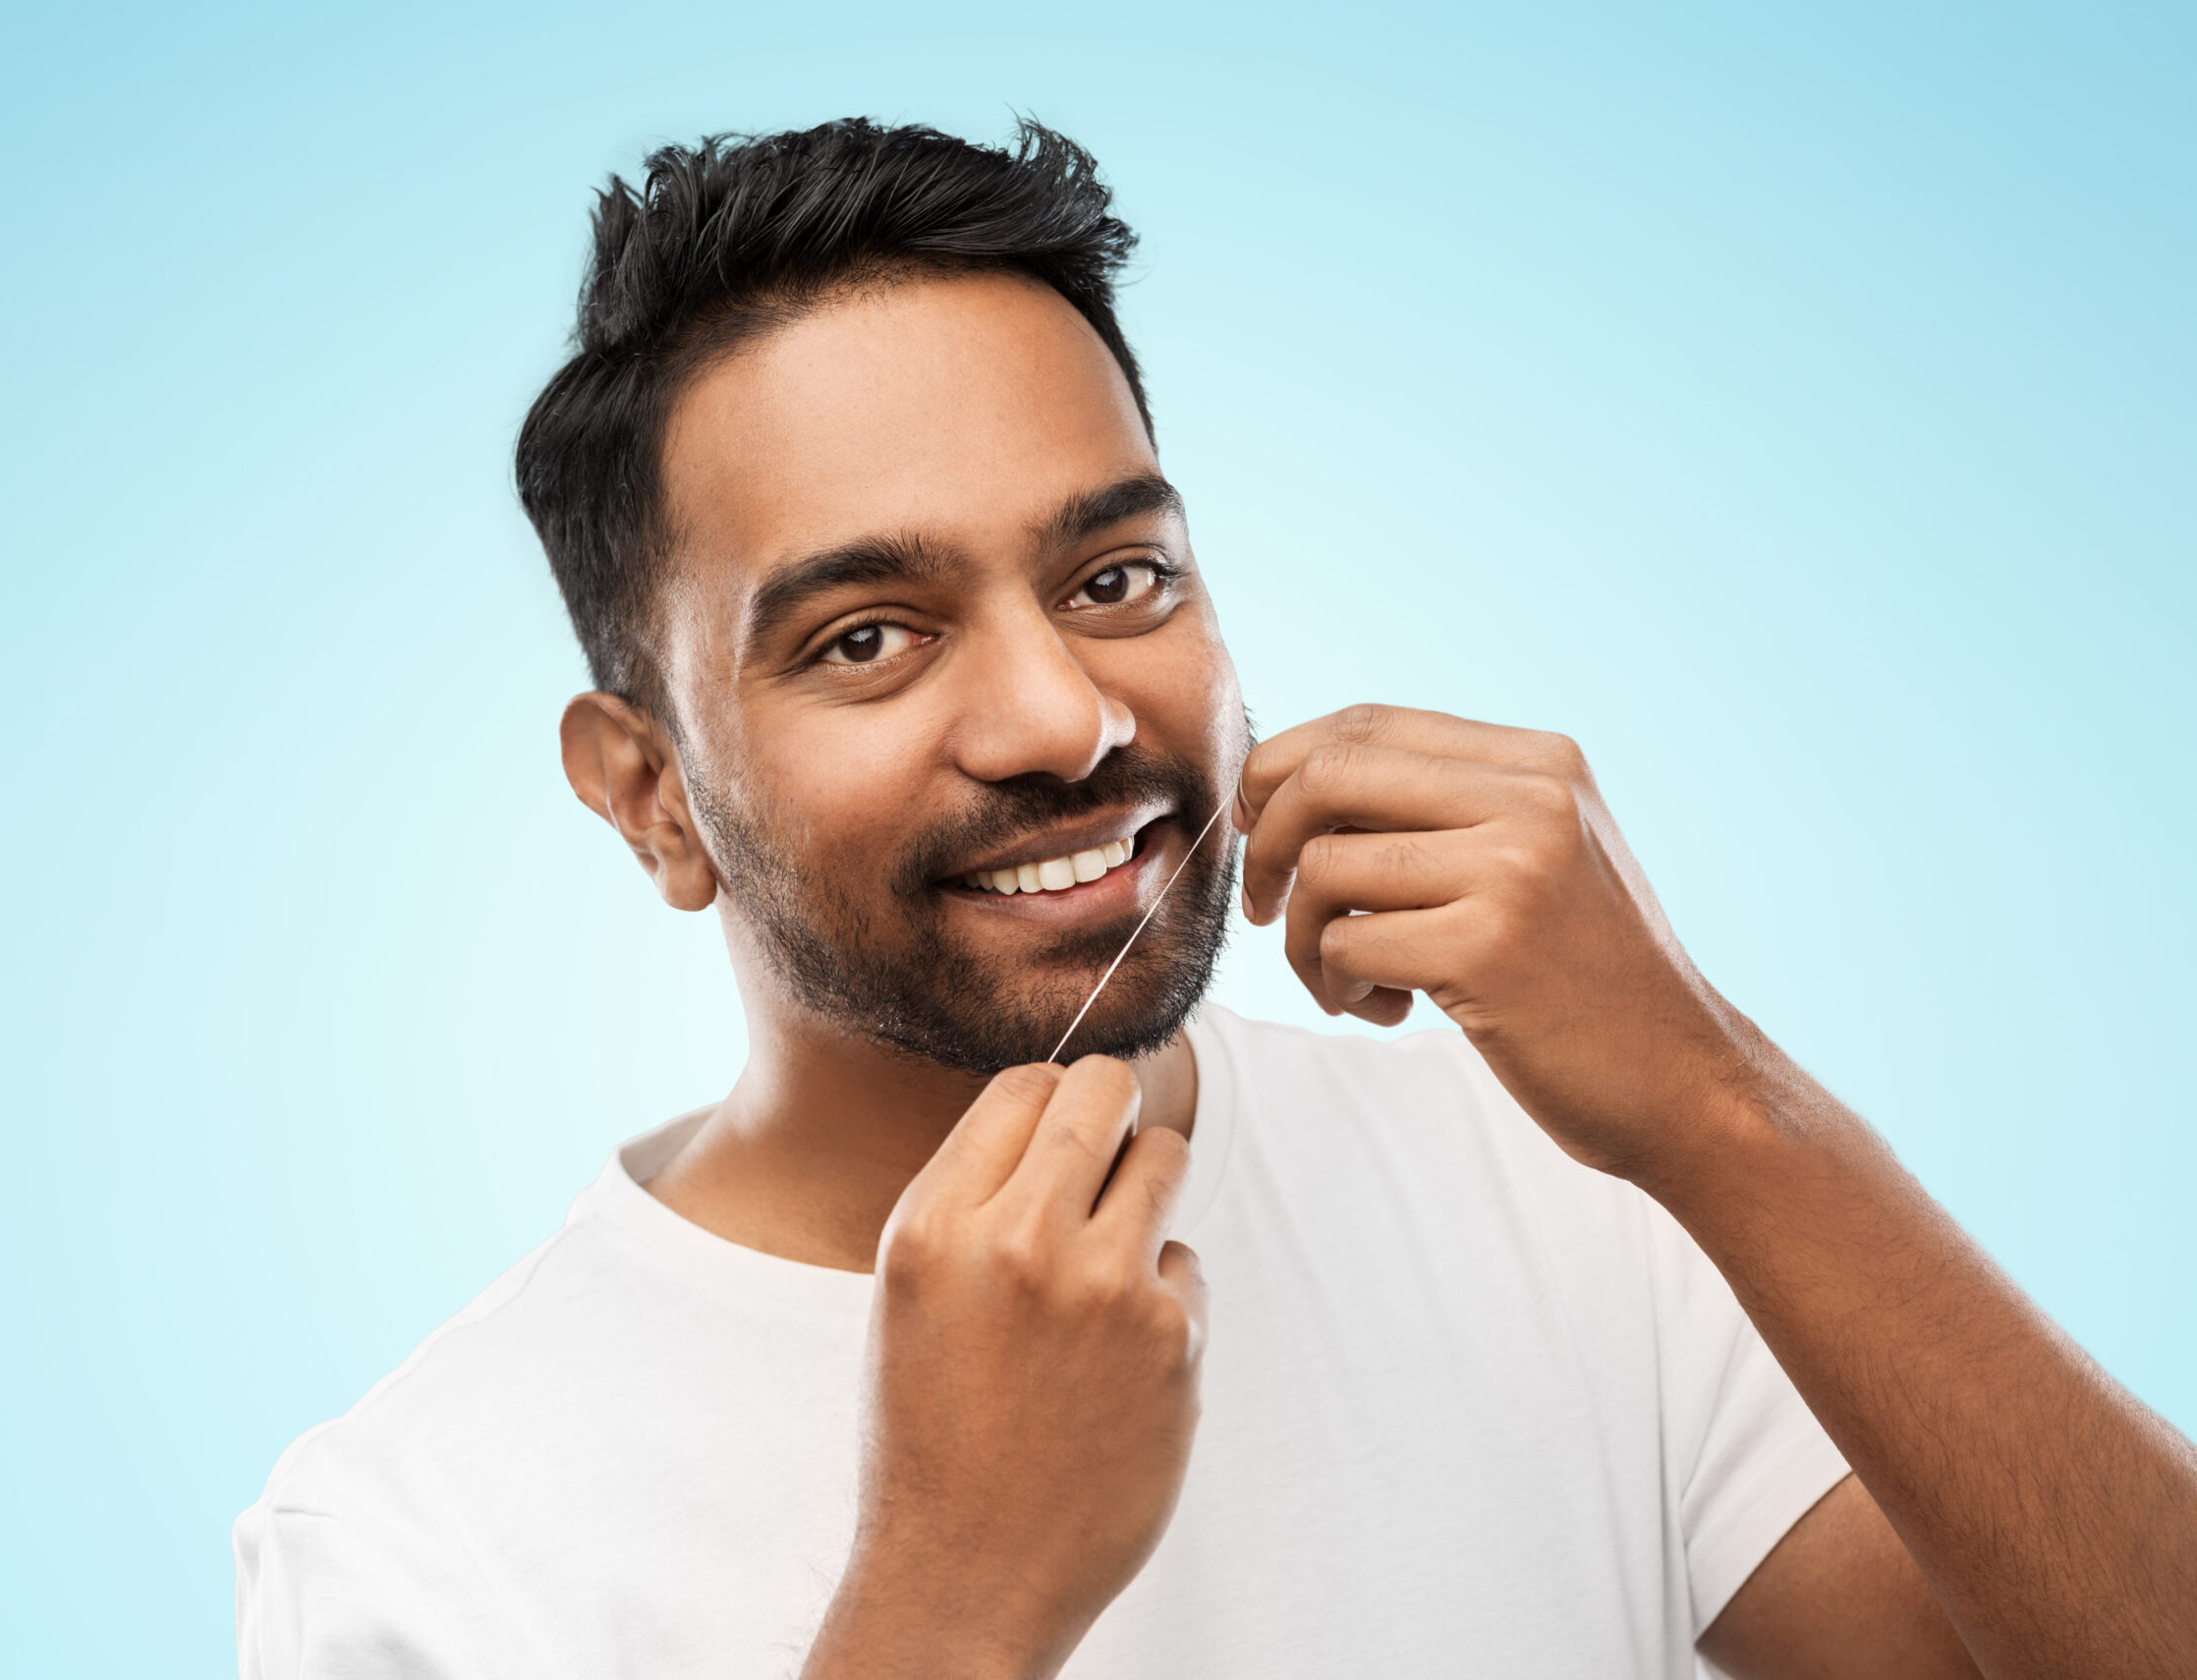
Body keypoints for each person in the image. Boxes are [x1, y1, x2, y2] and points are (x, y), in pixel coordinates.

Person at [233, 118, 2197, 1679]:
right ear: (649, 795)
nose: (1063, 717)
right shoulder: (416, 1540)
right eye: (866, 636)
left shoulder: (1564, 1181)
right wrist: (952, 1600)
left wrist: (1722, 1108)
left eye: (1115, 581)